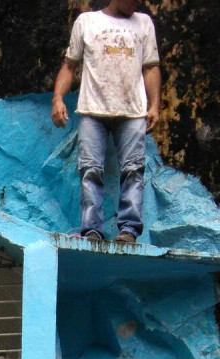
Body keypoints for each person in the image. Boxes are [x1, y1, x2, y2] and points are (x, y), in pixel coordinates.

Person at [51, 0, 161, 244]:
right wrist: (57, 98)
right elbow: (70, 66)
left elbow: (150, 67)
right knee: (90, 170)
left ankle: (129, 231)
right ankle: (92, 230)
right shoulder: (87, 21)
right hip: (92, 110)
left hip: (132, 112)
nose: (137, 3)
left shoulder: (144, 23)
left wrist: (154, 105)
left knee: (134, 170)